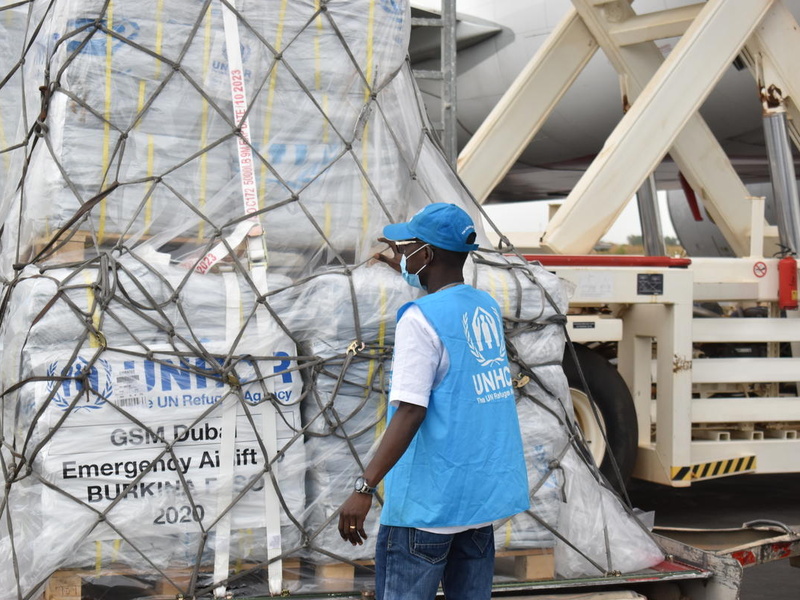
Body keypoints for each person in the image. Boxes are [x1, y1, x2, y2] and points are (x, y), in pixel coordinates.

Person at [337, 202, 530, 600]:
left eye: (408, 249)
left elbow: (410, 410)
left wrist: (364, 486)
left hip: (426, 509)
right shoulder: (485, 307)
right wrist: (402, 265)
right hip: (476, 506)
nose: (403, 256)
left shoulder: (417, 319)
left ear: (426, 255)